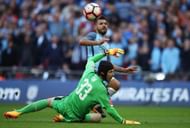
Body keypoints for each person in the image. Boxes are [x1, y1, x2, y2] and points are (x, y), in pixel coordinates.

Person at [4, 48, 140, 125]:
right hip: (75, 117)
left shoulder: (89, 72)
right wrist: (123, 121)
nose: (113, 74)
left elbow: (92, 60)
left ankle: (18, 112)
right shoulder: (101, 90)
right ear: (104, 73)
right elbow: (110, 110)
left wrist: (106, 53)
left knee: (48, 101)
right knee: (98, 117)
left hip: (65, 103)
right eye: (111, 72)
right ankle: (65, 117)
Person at [79, 15, 137, 97]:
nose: (104, 25)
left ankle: (98, 104)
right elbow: (82, 42)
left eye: (105, 24)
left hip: (103, 74)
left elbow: (108, 64)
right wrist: (97, 42)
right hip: (93, 72)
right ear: (96, 26)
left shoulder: (106, 43)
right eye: (101, 23)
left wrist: (125, 70)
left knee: (116, 85)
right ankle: (99, 103)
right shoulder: (93, 35)